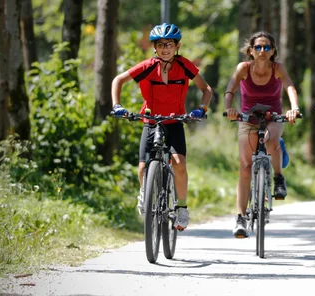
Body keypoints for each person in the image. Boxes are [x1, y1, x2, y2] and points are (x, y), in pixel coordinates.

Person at [111, 23, 213, 231]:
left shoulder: (184, 65)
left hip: (175, 121)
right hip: (151, 120)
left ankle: (182, 208)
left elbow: (206, 89)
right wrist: (117, 105)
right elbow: (118, 80)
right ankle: (145, 193)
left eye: (169, 44)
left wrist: (202, 108)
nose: (165, 48)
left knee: (179, 162)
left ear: (177, 46)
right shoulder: (147, 66)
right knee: (142, 168)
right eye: (160, 44)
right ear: (154, 47)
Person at [224, 31, 301, 238]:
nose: (262, 51)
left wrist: (294, 108)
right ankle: (240, 217)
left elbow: (290, 87)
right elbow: (230, 90)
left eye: (267, 47)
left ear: (273, 51)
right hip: (247, 119)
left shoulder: (278, 68)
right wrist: (229, 109)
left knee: (272, 141)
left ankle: (278, 177)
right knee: (245, 166)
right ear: (250, 51)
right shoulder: (243, 69)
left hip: (273, 117)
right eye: (257, 47)